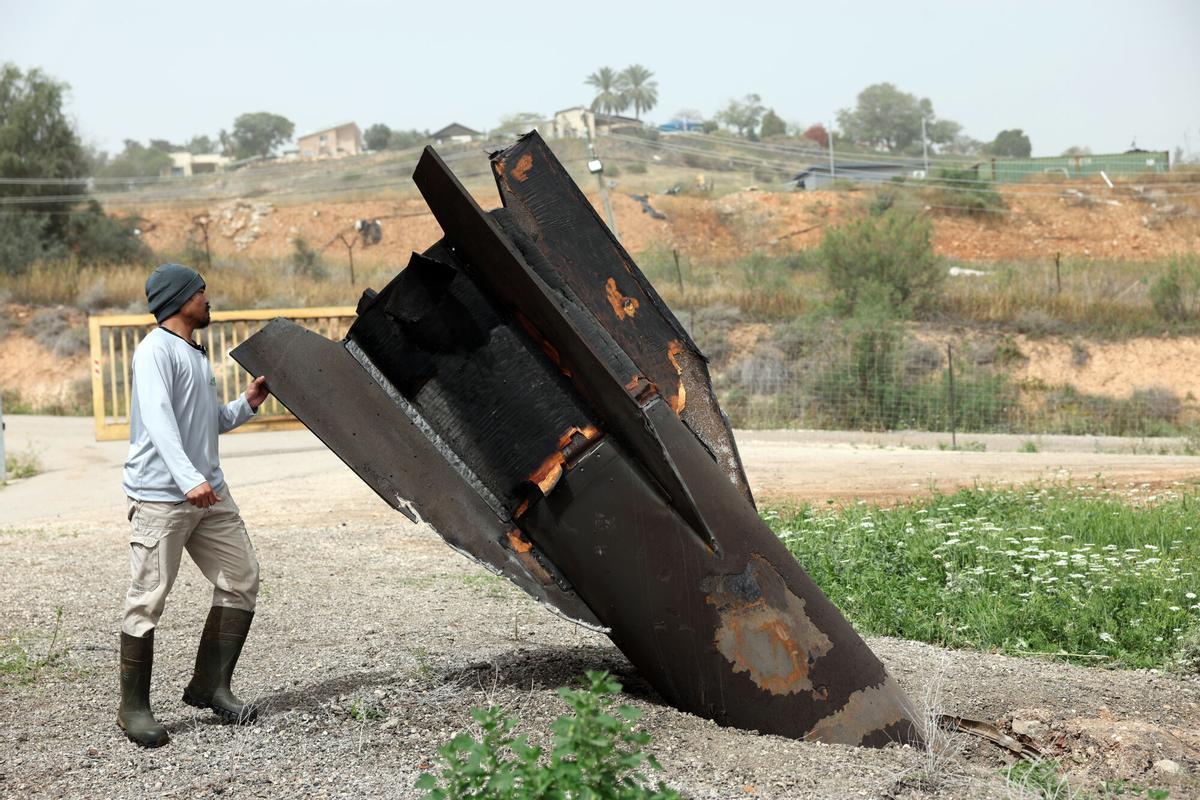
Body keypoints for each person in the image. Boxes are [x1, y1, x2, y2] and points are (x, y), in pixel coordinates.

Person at [117, 263, 269, 748]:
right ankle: (133, 709)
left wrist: (245, 404)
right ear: (181, 299)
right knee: (147, 599)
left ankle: (210, 686)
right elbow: (160, 423)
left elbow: (206, 423)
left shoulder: (194, 353)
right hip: (164, 497)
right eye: (201, 292)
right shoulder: (155, 352)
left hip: (207, 493)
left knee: (241, 578)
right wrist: (187, 481)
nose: (208, 298)